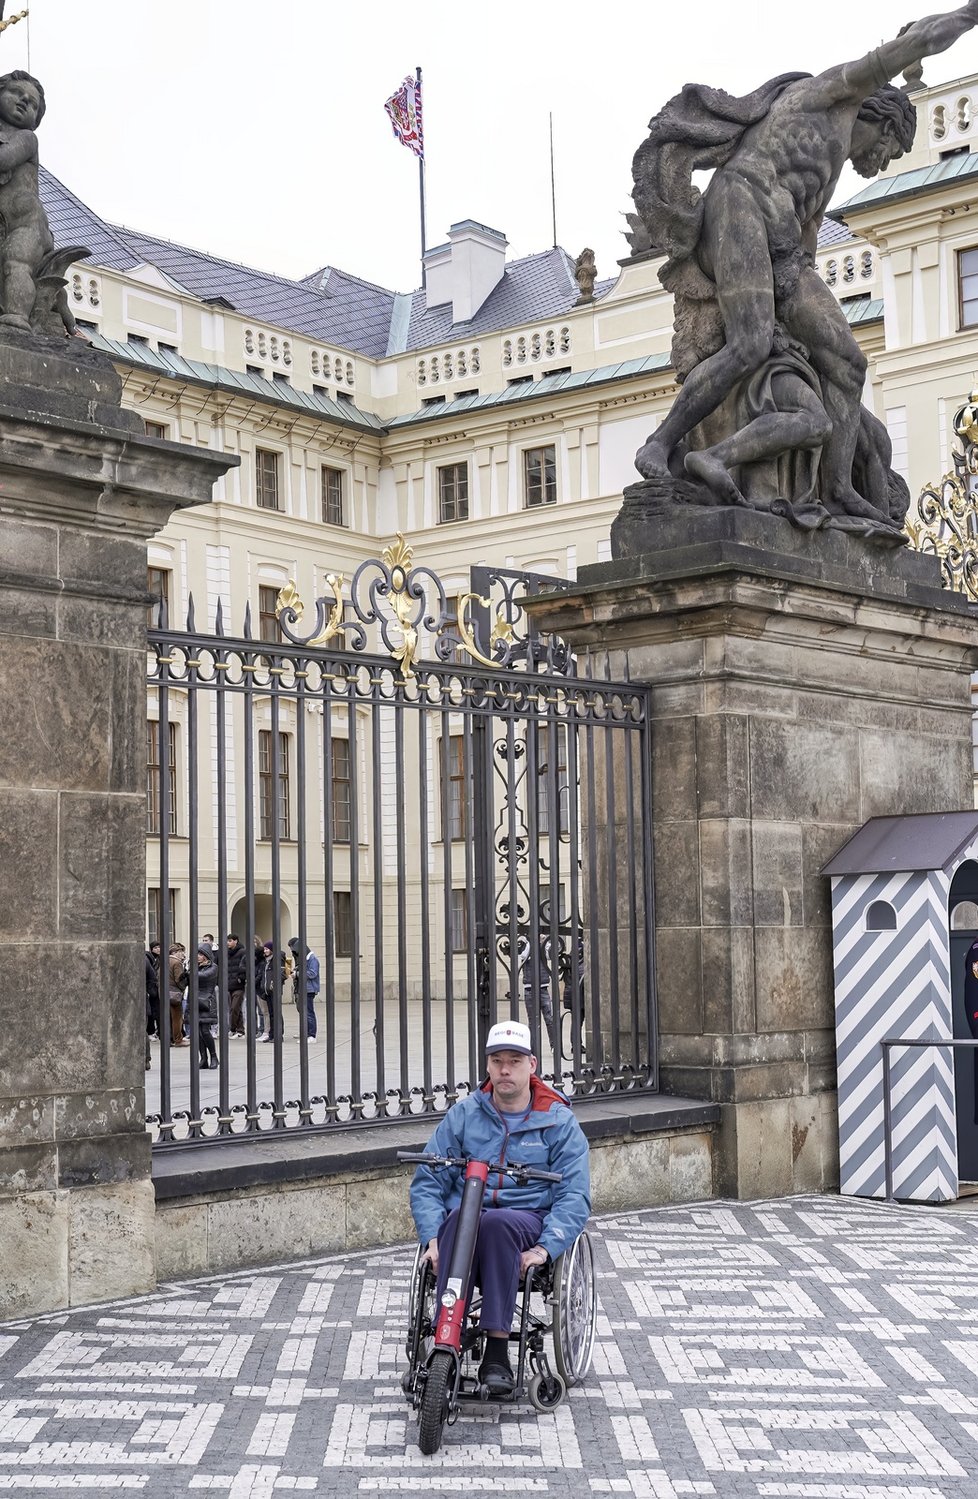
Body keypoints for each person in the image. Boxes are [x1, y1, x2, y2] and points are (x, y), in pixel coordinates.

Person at [631, 2, 978, 527]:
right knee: (749, 342)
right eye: (889, 150)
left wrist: (805, 312)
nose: (882, 164)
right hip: (738, 206)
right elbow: (915, 42)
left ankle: (838, 489)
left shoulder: (831, 165)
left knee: (850, 363)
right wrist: (969, 15)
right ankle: (659, 443)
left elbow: (808, 242)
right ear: (881, 120)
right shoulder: (834, 93)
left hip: (780, 249)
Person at [409, 1020, 590, 1395]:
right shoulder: (463, 1115)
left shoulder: (558, 1122)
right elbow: (428, 1181)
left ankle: (496, 1352)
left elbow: (574, 1194)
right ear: (488, 1066)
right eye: (497, 1061)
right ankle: (447, 1338)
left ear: (532, 1065)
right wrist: (431, 1238)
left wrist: (546, 1248)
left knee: (496, 1225)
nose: (505, 1069)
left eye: (514, 1061)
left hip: (526, 1220)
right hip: (465, 1219)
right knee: (460, 1218)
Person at [288, 937, 320, 1042]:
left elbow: (312, 973)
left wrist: (297, 974)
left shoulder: (312, 959)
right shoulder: (303, 959)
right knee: (303, 1011)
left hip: (309, 989)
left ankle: (311, 1035)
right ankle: (305, 1033)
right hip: (302, 988)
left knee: (308, 1012)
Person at [195, 944, 219, 1070]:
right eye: (197, 954)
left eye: (200, 954)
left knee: (205, 1030)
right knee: (197, 1033)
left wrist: (190, 973)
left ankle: (214, 1056)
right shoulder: (195, 967)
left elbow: (205, 976)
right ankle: (203, 1058)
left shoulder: (213, 967)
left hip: (206, 1001)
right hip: (194, 1000)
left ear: (206, 956)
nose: (198, 957)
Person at [225, 932, 248, 1038]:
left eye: (230, 941)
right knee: (235, 1008)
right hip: (228, 984)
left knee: (235, 1007)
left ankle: (233, 1028)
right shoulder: (226, 953)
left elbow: (245, 966)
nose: (228, 943)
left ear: (235, 941)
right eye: (227, 941)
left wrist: (240, 978)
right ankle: (239, 1030)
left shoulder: (242, 952)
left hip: (238, 985)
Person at [167, 942, 190, 1047]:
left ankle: (168, 1039)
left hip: (164, 992)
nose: (183, 954)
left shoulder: (164, 960)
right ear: (175, 952)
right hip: (174, 993)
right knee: (177, 1018)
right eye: (181, 952)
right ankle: (178, 1039)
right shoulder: (177, 963)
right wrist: (183, 986)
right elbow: (179, 979)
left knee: (167, 1017)